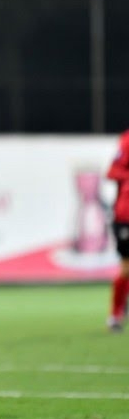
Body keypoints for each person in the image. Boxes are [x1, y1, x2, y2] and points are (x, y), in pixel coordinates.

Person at [106, 130, 129, 332]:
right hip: (126, 216)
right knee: (126, 268)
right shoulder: (127, 141)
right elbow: (112, 172)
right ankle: (116, 314)